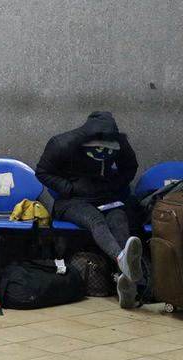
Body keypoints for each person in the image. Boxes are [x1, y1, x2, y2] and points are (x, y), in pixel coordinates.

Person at [36, 111, 143, 308]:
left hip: (105, 197)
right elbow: (42, 172)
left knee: (119, 218)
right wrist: (68, 188)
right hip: (71, 201)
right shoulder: (62, 143)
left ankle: (125, 279)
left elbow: (130, 166)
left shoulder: (119, 144)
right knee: (96, 220)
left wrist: (114, 185)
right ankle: (123, 261)